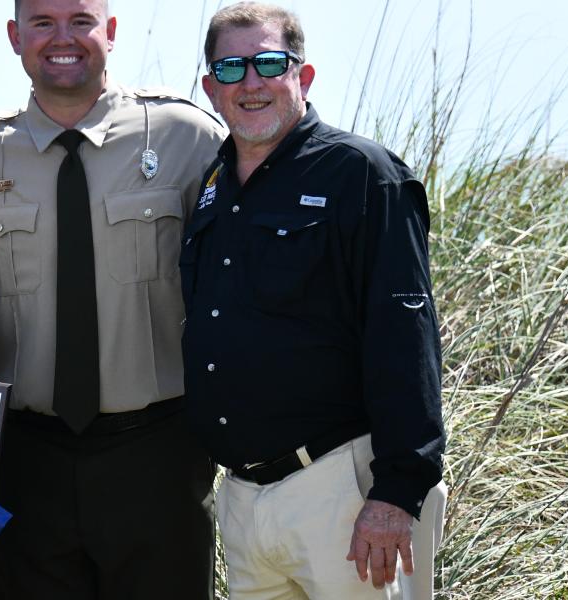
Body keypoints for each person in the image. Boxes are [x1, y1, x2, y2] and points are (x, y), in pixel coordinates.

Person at [0, 0, 227, 597]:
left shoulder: (188, 137)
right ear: (14, 36)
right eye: (43, 23)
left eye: (81, 20)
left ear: (110, 31)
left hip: (158, 452)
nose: (63, 38)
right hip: (26, 463)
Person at [181, 3, 447, 598]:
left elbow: (405, 337)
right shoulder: (212, 186)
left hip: (345, 491)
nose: (250, 83)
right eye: (230, 69)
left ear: (302, 76)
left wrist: (397, 492)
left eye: (268, 63)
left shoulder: (363, 175)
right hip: (245, 500)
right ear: (209, 88)